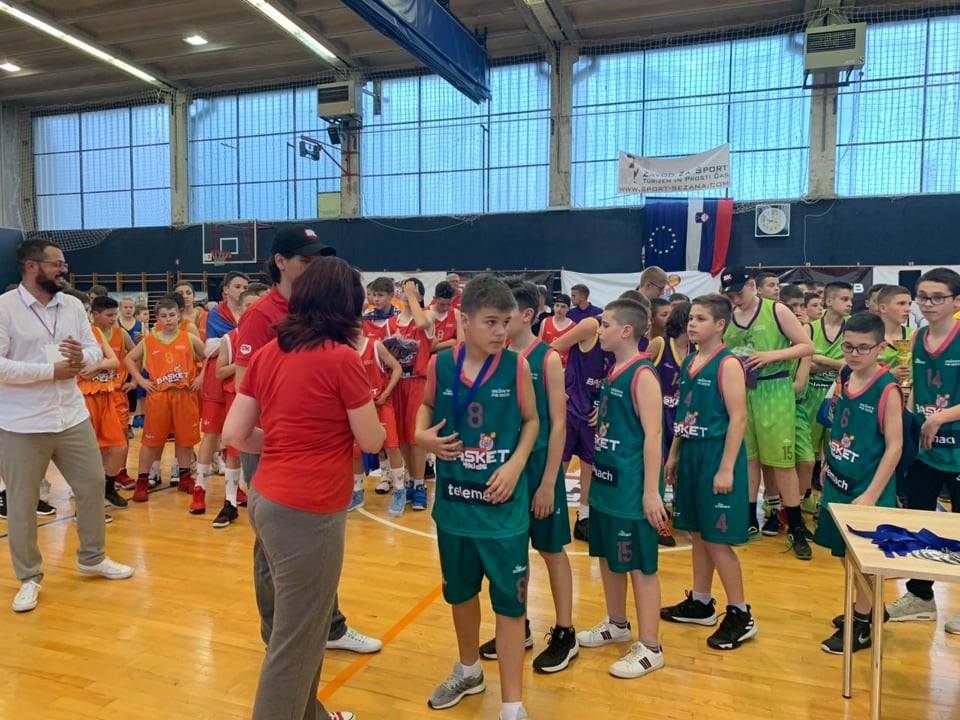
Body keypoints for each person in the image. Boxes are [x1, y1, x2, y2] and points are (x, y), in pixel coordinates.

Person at [223, 257, 384, 720]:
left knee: (306, 631)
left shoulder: (269, 353)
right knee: (295, 641)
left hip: (268, 497)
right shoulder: (341, 358)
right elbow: (371, 441)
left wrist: (283, 442)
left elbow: (235, 434)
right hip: (309, 510)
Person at [415, 275, 538, 720]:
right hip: (455, 505)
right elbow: (426, 407)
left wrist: (516, 464)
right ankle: (469, 670)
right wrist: (420, 435)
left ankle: (512, 705)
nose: (501, 331)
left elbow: (532, 421)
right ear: (464, 321)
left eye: (506, 322)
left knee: (510, 606)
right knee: (461, 595)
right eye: (491, 322)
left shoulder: (517, 366)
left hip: (502, 512)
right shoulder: (441, 364)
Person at [0, 239, 133, 614]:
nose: (64, 269)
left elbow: (93, 349)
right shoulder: (5, 308)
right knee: (22, 503)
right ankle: (29, 576)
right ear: (31, 266)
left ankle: (92, 557)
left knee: (91, 485)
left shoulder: (73, 305)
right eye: (56, 263)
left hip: (71, 416)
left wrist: (81, 358)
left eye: (63, 263)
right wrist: (50, 371)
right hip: (23, 423)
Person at [478, 281, 576, 673]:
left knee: (551, 550)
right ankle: (517, 627)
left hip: (538, 467)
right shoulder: (496, 356)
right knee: (511, 551)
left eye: (506, 316)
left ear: (527, 315)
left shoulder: (546, 358)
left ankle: (566, 632)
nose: (499, 324)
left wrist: (550, 481)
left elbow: (559, 423)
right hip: (507, 467)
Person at [575, 298, 667, 678]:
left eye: (606, 324)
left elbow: (654, 435)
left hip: (631, 489)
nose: (600, 330)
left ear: (626, 331)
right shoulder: (614, 370)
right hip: (606, 483)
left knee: (640, 567)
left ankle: (651, 647)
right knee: (608, 558)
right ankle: (617, 624)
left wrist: (651, 491)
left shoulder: (642, 374)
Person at [662, 294, 756, 650]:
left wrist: (727, 468)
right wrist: (674, 454)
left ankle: (741, 614)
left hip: (717, 454)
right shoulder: (690, 361)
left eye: (700, 319)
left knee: (717, 540)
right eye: (691, 318)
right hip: (691, 451)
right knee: (698, 534)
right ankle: (701, 602)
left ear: (720, 325)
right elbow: (684, 413)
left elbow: (739, 418)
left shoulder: (728, 364)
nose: (691, 324)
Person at [812, 312, 904, 653]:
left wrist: (872, 494)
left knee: (863, 558)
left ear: (881, 348)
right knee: (843, 554)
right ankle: (870, 605)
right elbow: (837, 423)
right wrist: (826, 460)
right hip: (838, 480)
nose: (854, 353)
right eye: (848, 346)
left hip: (868, 488)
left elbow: (895, 446)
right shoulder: (844, 375)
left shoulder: (887, 389)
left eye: (863, 348)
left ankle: (863, 622)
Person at [720, 267, 815, 558]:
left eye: (739, 292)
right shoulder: (729, 316)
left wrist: (773, 355)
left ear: (752, 284)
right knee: (748, 459)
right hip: (742, 391)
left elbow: (807, 346)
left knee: (783, 463)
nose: (735, 298)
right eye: (730, 294)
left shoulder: (777, 311)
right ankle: (749, 519)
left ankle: (796, 526)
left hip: (775, 388)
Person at [886, 268, 960, 634]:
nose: (927, 304)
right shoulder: (915, 339)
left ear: (956, 301)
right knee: (920, 522)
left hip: (956, 446)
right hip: (927, 449)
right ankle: (920, 596)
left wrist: (941, 416)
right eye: (923, 297)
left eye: (937, 297)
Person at [194, 285, 265, 518]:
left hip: (265, 401)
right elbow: (220, 371)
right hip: (234, 398)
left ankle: (258, 498)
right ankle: (226, 498)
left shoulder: (271, 336)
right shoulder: (229, 337)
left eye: (257, 305)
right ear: (241, 309)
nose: (253, 310)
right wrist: (245, 361)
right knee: (232, 449)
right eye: (248, 306)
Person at [126, 296, 205, 501]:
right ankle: (142, 481)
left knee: (185, 440)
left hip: (184, 395)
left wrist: (201, 377)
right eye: (164, 316)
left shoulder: (189, 338)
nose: (168, 319)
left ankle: (185, 478)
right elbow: (129, 359)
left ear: (178, 316)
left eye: (171, 315)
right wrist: (140, 381)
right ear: (157, 318)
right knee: (151, 442)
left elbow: (209, 357)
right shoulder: (149, 340)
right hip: (159, 397)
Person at [549, 309, 612, 542]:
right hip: (571, 406)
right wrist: (556, 386)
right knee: (559, 464)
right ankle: (550, 512)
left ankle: (584, 518)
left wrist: (606, 404)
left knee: (589, 465)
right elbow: (551, 349)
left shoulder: (631, 339)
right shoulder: (591, 326)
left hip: (595, 410)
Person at [384, 278, 434, 511]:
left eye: (411, 289)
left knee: (416, 437)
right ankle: (410, 482)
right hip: (396, 382)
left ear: (419, 295)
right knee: (402, 436)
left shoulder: (427, 316)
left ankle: (420, 484)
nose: (405, 291)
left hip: (416, 381)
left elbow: (422, 323)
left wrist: (413, 296)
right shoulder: (392, 321)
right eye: (404, 288)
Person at [648, 301, 691, 547]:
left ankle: (680, 512)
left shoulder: (697, 349)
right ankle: (657, 521)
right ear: (683, 322)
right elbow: (640, 370)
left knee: (680, 468)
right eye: (692, 320)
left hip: (683, 416)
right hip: (659, 414)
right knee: (658, 467)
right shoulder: (660, 344)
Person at [85, 296, 133, 509]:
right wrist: (101, 365)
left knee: (119, 446)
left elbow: (114, 361)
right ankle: (87, 502)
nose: (114, 318)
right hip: (84, 396)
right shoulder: (69, 336)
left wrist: (96, 366)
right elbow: (75, 371)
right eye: (109, 314)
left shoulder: (100, 333)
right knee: (89, 451)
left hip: (108, 393)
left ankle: (108, 487)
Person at [350, 332, 405, 516]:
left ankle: (399, 489)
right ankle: (357, 491)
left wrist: (386, 393)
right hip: (358, 407)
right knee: (355, 450)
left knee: (392, 446)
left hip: (380, 404)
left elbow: (397, 368)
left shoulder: (375, 345)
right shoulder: (344, 349)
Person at [876, 285, 914, 388]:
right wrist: (888, 375)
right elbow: (859, 374)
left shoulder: (915, 335)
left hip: (911, 394)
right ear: (883, 308)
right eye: (901, 304)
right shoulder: (870, 337)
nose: (908, 309)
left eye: (909, 304)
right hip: (879, 393)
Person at [205, 272, 250, 340]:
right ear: (226, 290)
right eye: (237, 287)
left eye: (245, 288)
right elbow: (212, 342)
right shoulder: (216, 314)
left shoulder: (252, 311)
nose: (242, 291)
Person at [538, 293, 575, 367]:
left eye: (563, 307)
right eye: (557, 305)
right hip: (546, 364)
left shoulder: (573, 326)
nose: (559, 309)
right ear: (553, 306)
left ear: (568, 309)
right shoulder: (545, 322)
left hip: (564, 366)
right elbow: (539, 344)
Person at [362, 276, 397, 341]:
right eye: (374, 295)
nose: (376, 299)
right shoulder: (366, 318)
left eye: (380, 295)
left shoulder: (399, 318)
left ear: (391, 295)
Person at [431, 280, 462, 354]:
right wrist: (450, 343)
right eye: (442, 304)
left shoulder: (456, 313)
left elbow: (461, 344)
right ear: (434, 298)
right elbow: (425, 348)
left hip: (449, 359)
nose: (445, 308)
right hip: (428, 359)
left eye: (449, 304)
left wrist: (437, 346)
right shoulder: (425, 313)